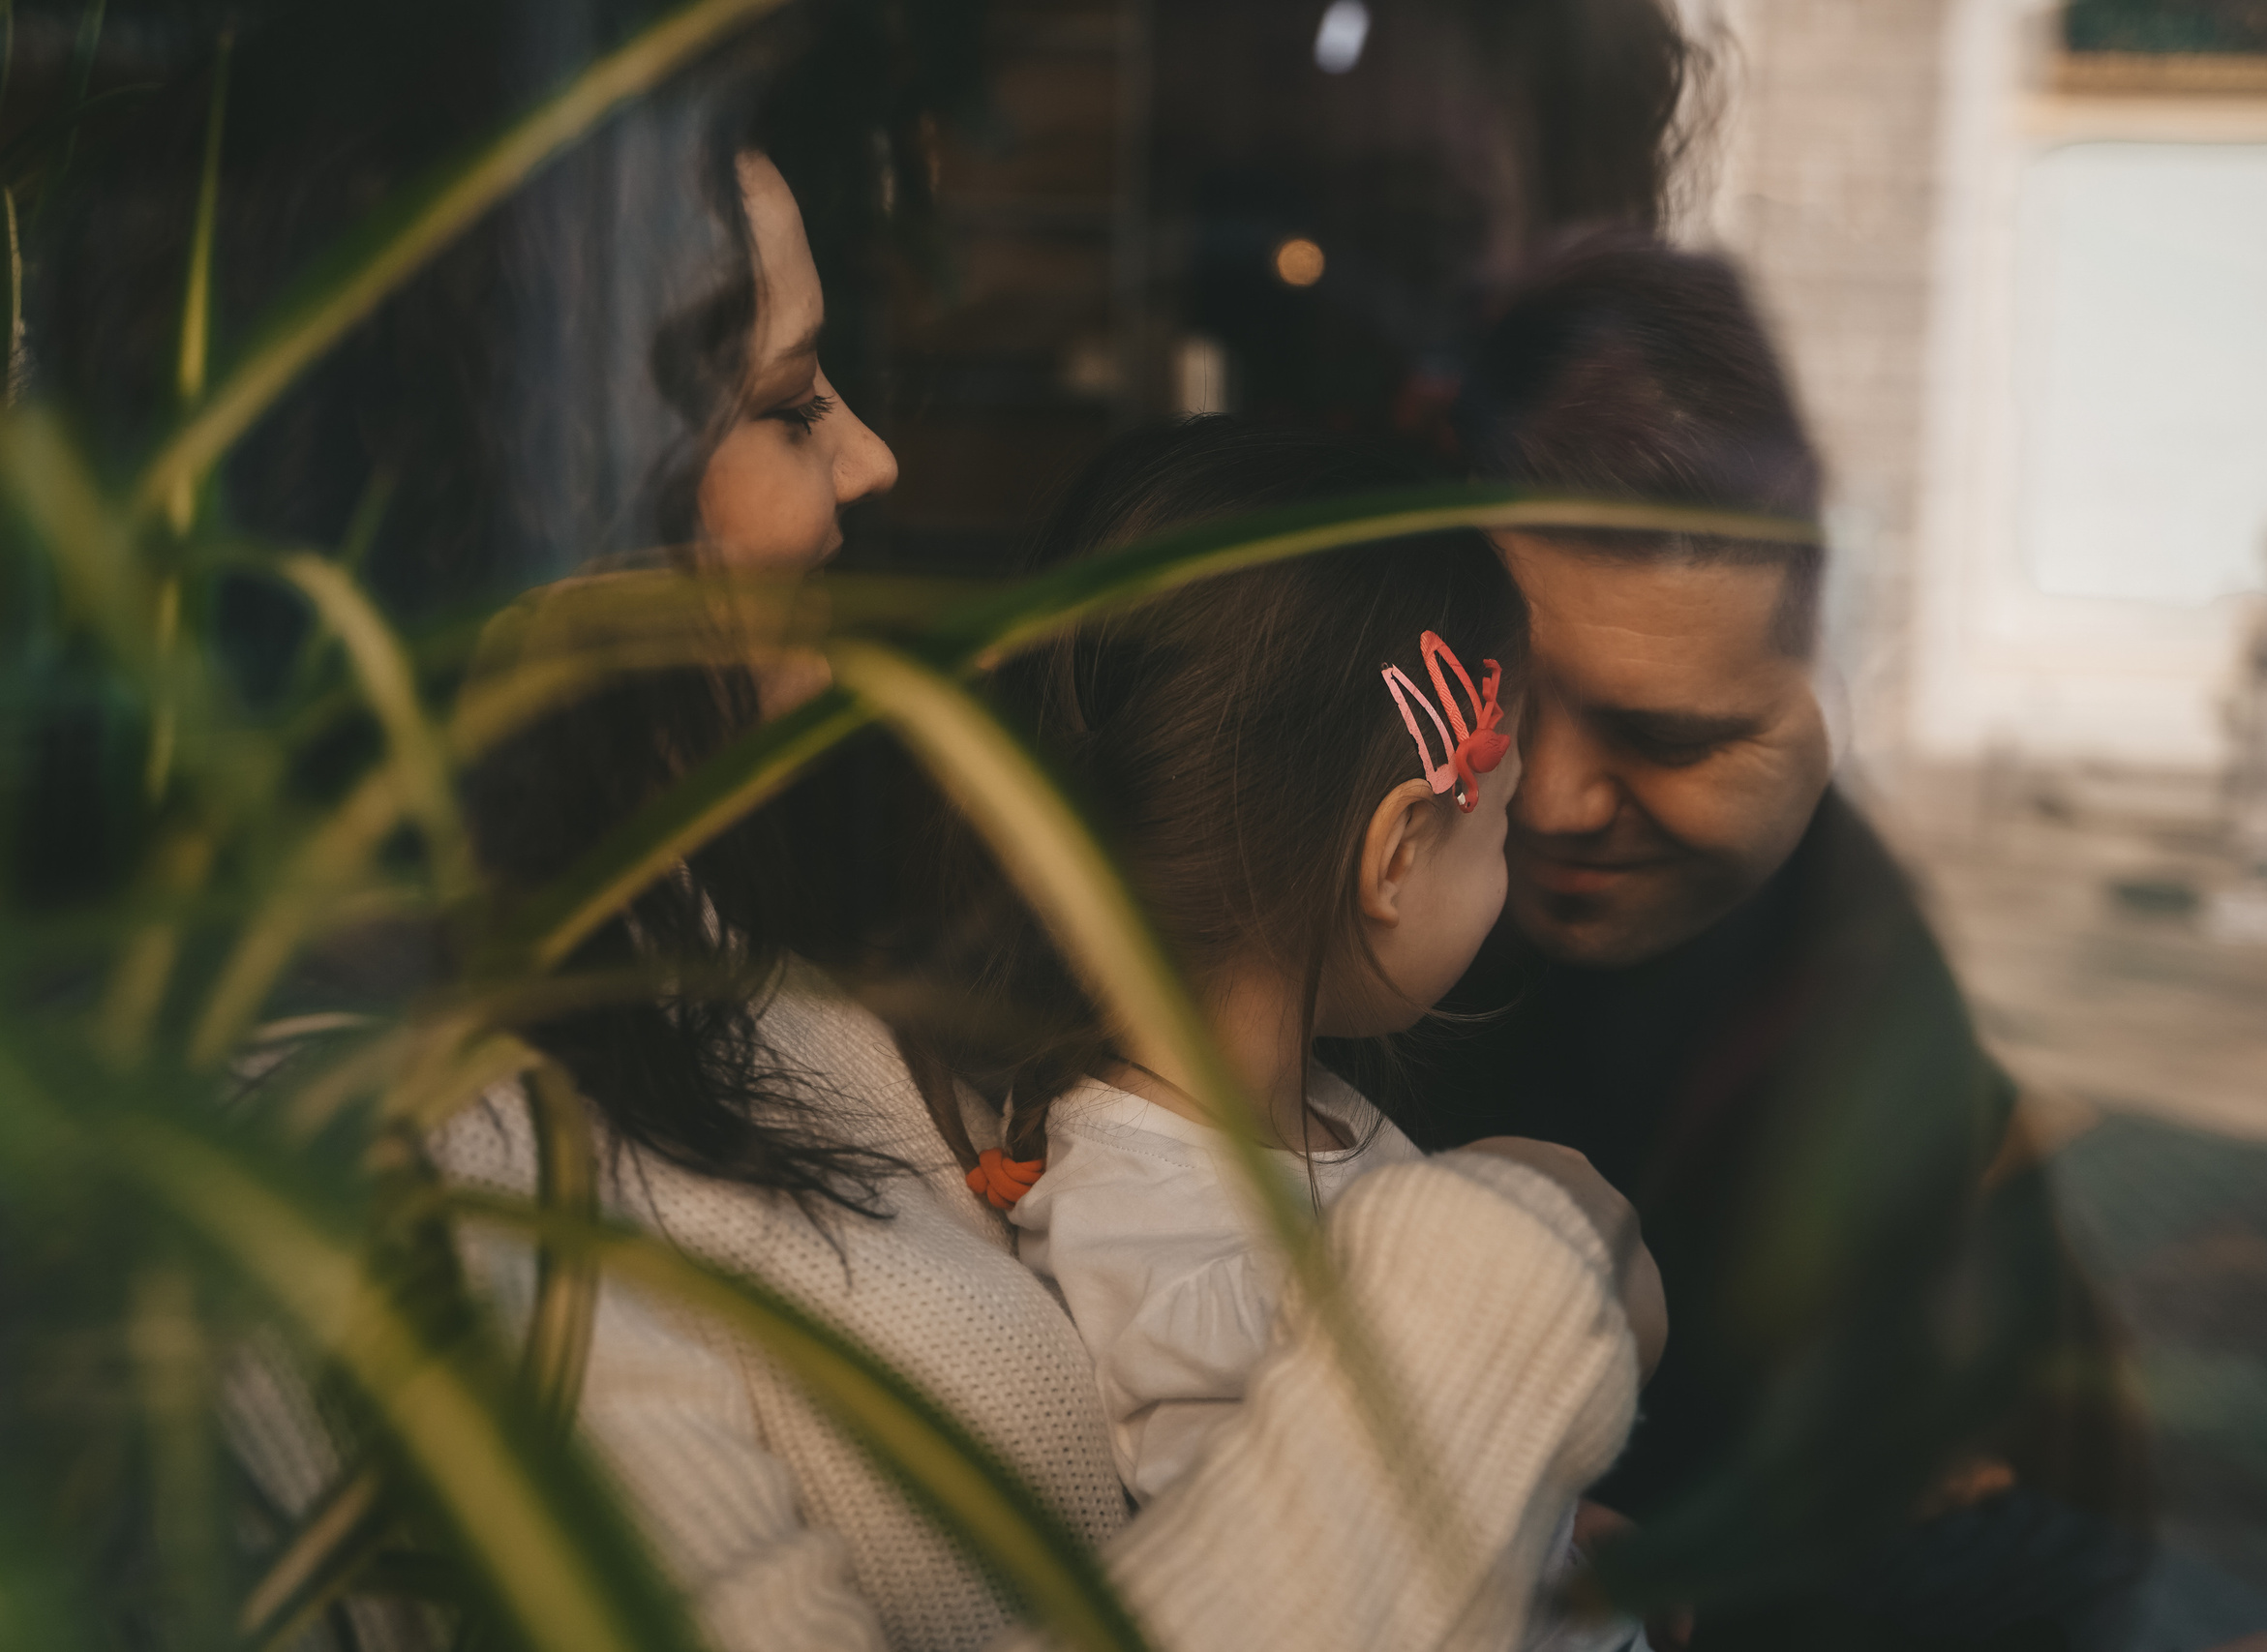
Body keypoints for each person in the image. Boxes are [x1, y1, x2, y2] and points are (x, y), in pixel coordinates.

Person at [40, 11, 1669, 1649]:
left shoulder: (712, 979)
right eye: (795, 403)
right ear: (535, 480)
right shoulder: (415, 1182)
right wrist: (1495, 1290)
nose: (874, 460)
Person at [1395, 236, 2155, 1651]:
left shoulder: (1887, 1079)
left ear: (1838, 693)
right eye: (1496, 696)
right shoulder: (1338, 939)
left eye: (1674, 736)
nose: (1549, 798)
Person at [912, 419, 1662, 1652]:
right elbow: (1312, 1584)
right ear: (1402, 849)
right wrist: (1583, 1253)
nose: (1520, 856)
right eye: (1502, 821)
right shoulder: (1196, 1279)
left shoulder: (1243, 1137)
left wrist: (1549, 1524)